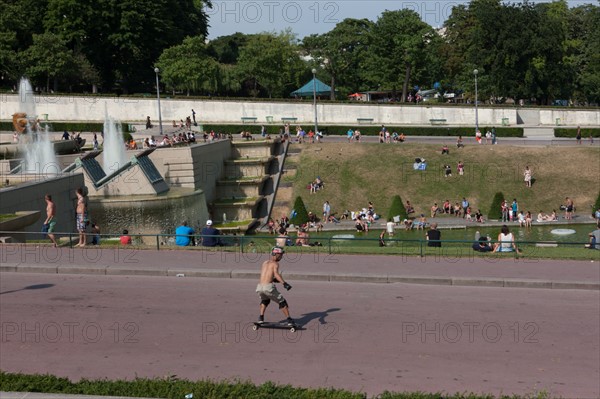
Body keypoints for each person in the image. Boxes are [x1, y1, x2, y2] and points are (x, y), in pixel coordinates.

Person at [256, 246, 295, 326]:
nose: (281, 257)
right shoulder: (275, 264)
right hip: (268, 287)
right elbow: (276, 274)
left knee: (265, 300)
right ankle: (289, 320)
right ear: (276, 254)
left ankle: (261, 318)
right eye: (280, 255)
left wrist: (273, 279)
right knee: (282, 302)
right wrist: (284, 284)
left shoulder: (265, 262)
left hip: (259, 287)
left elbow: (266, 274)